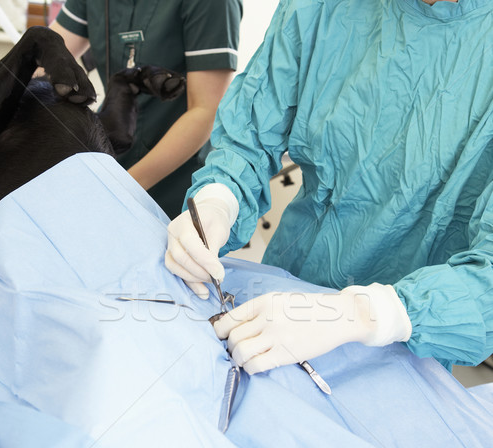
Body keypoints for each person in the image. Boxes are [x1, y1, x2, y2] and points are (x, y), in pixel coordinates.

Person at [165, 0, 493, 374]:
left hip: (406, 351)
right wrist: (217, 200)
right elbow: (249, 134)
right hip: (283, 289)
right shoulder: (320, 8)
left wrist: (364, 316)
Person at [50, 0, 242, 219]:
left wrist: (120, 188)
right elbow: (46, 57)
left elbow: (205, 111)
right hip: (110, 160)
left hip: (175, 182)